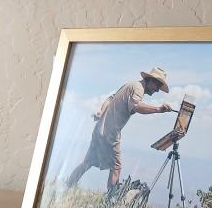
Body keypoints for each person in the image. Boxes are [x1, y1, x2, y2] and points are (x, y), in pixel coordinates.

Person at [66, 66, 173, 194]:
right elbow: (136, 106)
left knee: (88, 162)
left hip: (100, 128)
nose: (157, 90)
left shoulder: (130, 85)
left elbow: (110, 98)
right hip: (110, 132)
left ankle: (67, 186)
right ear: (150, 80)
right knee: (116, 167)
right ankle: (110, 201)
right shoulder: (138, 88)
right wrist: (158, 109)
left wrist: (101, 112)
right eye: (157, 85)